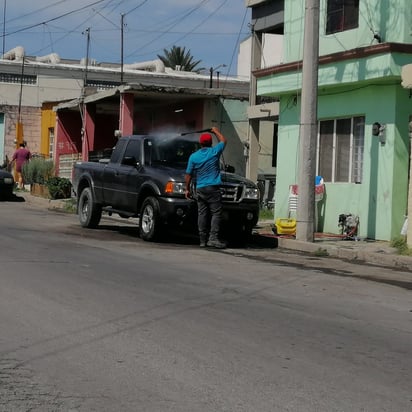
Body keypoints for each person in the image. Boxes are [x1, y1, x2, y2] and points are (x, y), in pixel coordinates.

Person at [185, 126, 227, 249]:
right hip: (213, 188)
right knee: (216, 213)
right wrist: (215, 131)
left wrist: (187, 189)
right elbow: (224, 140)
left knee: (202, 214)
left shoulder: (193, 157)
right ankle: (213, 238)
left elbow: (188, 175)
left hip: (200, 188)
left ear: (200, 143)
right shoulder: (214, 152)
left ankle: (202, 240)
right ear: (211, 142)